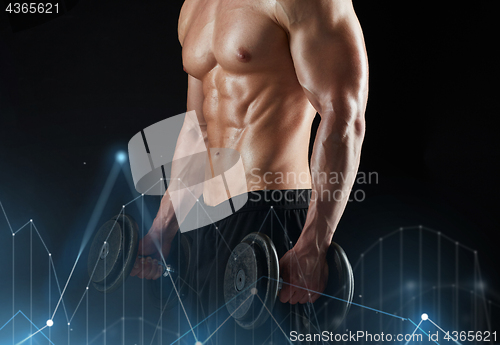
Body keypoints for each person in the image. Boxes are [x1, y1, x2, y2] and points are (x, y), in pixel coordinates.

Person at [131, 0, 368, 341]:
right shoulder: (193, 7)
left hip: (272, 225)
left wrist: (314, 243)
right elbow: (196, 129)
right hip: (203, 226)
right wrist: (162, 227)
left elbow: (344, 116)